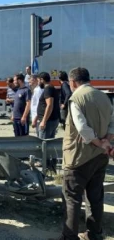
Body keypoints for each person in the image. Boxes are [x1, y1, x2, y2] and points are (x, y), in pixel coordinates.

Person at [58, 67, 114, 240]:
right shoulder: (103, 96)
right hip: (100, 156)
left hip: (78, 158)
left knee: (72, 199)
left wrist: (98, 141)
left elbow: (82, 128)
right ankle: (94, 234)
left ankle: (70, 237)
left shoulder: (76, 99)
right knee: (95, 197)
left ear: (73, 82)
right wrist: (106, 142)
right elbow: (112, 122)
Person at [34, 72, 60, 139]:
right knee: (49, 143)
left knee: (43, 143)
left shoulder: (48, 89)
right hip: (50, 121)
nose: (38, 83)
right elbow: (44, 105)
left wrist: (44, 121)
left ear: (42, 80)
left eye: (38, 81)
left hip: (48, 122)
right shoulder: (51, 88)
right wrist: (36, 118)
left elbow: (49, 105)